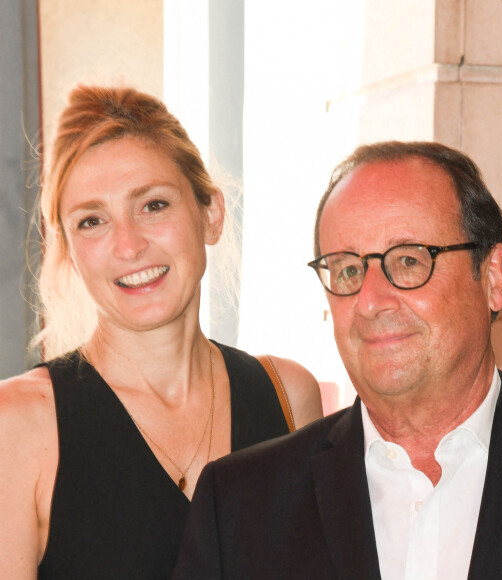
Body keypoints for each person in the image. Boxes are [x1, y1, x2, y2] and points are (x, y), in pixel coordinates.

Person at [173, 141, 502, 579]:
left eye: (408, 260)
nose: (369, 301)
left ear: (492, 277)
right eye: (348, 269)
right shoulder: (240, 504)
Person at [0, 85, 322, 579]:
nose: (129, 245)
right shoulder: (18, 424)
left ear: (210, 214)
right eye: (92, 221)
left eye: (152, 205)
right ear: (68, 252)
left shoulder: (288, 396)